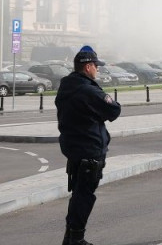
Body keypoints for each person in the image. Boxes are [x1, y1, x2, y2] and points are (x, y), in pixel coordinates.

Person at [55, 45, 121, 245]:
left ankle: (70, 237)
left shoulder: (67, 86)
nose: (98, 70)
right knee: (84, 197)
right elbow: (114, 110)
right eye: (96, 66)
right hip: (89, 150)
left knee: (78, 196)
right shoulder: (87, 89)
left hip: (75, 149)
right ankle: (76, 238)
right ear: (88, 67)